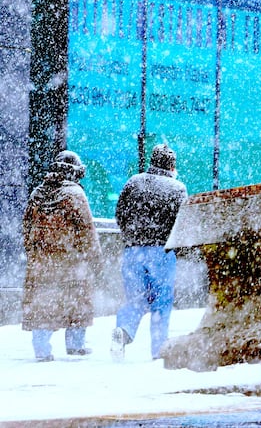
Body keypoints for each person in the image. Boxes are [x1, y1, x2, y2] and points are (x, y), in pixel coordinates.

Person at [22, 150, 102, 362]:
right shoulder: (75, 194)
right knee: (78, 301)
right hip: (70, 259)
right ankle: (75, 344)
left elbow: (26, 226)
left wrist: (33, 252)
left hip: (42, 260)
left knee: (43, 303)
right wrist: (94, 256)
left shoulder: (37, 193)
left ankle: (41, 348)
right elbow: (86, 229)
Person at [111, 144, 187, 361]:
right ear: (171, 165)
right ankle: (159, 349)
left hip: (133, 251)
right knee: (161, 302)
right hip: (162, 251)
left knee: (134, 298)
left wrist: (131, 237)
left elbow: (120, 213)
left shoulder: (133, 182)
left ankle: (123, 330)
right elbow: (182, 222)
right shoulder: (177, 188)